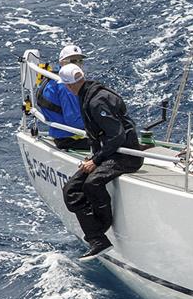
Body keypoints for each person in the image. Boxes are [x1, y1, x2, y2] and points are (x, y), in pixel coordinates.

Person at [59, 63, 143, 260]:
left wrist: (96, 160)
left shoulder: (96, 101)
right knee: (71, 189)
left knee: (92, 183)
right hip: (110, 153)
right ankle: (97, 238)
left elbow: (117, 136)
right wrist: (95, 156)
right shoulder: (89, 94)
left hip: (126, 156)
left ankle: (101, 231)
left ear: (68, 86)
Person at [36, 42, 90, 150]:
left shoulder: (53, 79)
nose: (77, 64)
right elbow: (73, 120)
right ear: (62, 62)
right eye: (73, 61)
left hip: (59, 134)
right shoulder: (67, 85)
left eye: (80, 61)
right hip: (72, 138)